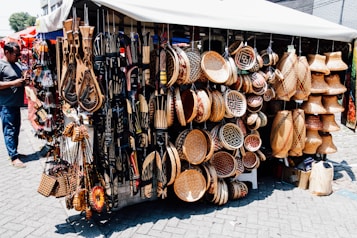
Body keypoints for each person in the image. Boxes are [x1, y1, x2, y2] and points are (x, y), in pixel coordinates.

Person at [0, 42, 27, 168]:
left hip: (16, 104)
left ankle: (14, 152)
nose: (18, 57)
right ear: (7, 53)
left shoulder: (16, 64)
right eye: (16, 54)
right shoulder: (1, 65)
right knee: (9, 130)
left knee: (16, 129)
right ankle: (14, 157)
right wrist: (14, 83)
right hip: (6, 104)